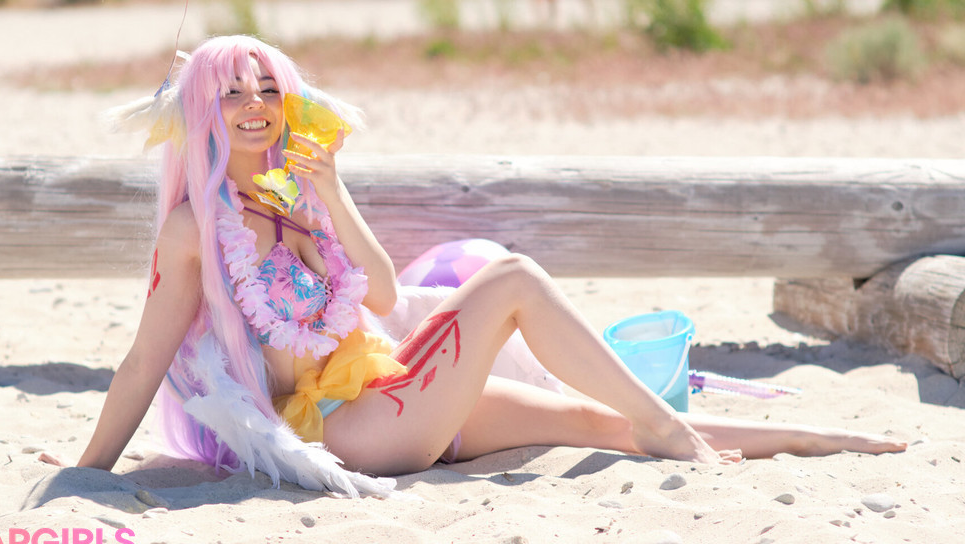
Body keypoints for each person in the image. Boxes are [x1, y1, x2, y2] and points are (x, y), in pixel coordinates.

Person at [66, 35, 905, 497]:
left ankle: (813, 437)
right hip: (345, 431)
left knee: (593, 421)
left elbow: (379, 294)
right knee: (513, 281)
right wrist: (86, 470)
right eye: (233, 93)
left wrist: (334, 190)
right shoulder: (194, 228)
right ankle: (676, 428)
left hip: (388, 391)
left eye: (268, 90)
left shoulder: (298, 196)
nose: (254, 106)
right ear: (205, 112)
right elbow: (144, 359)